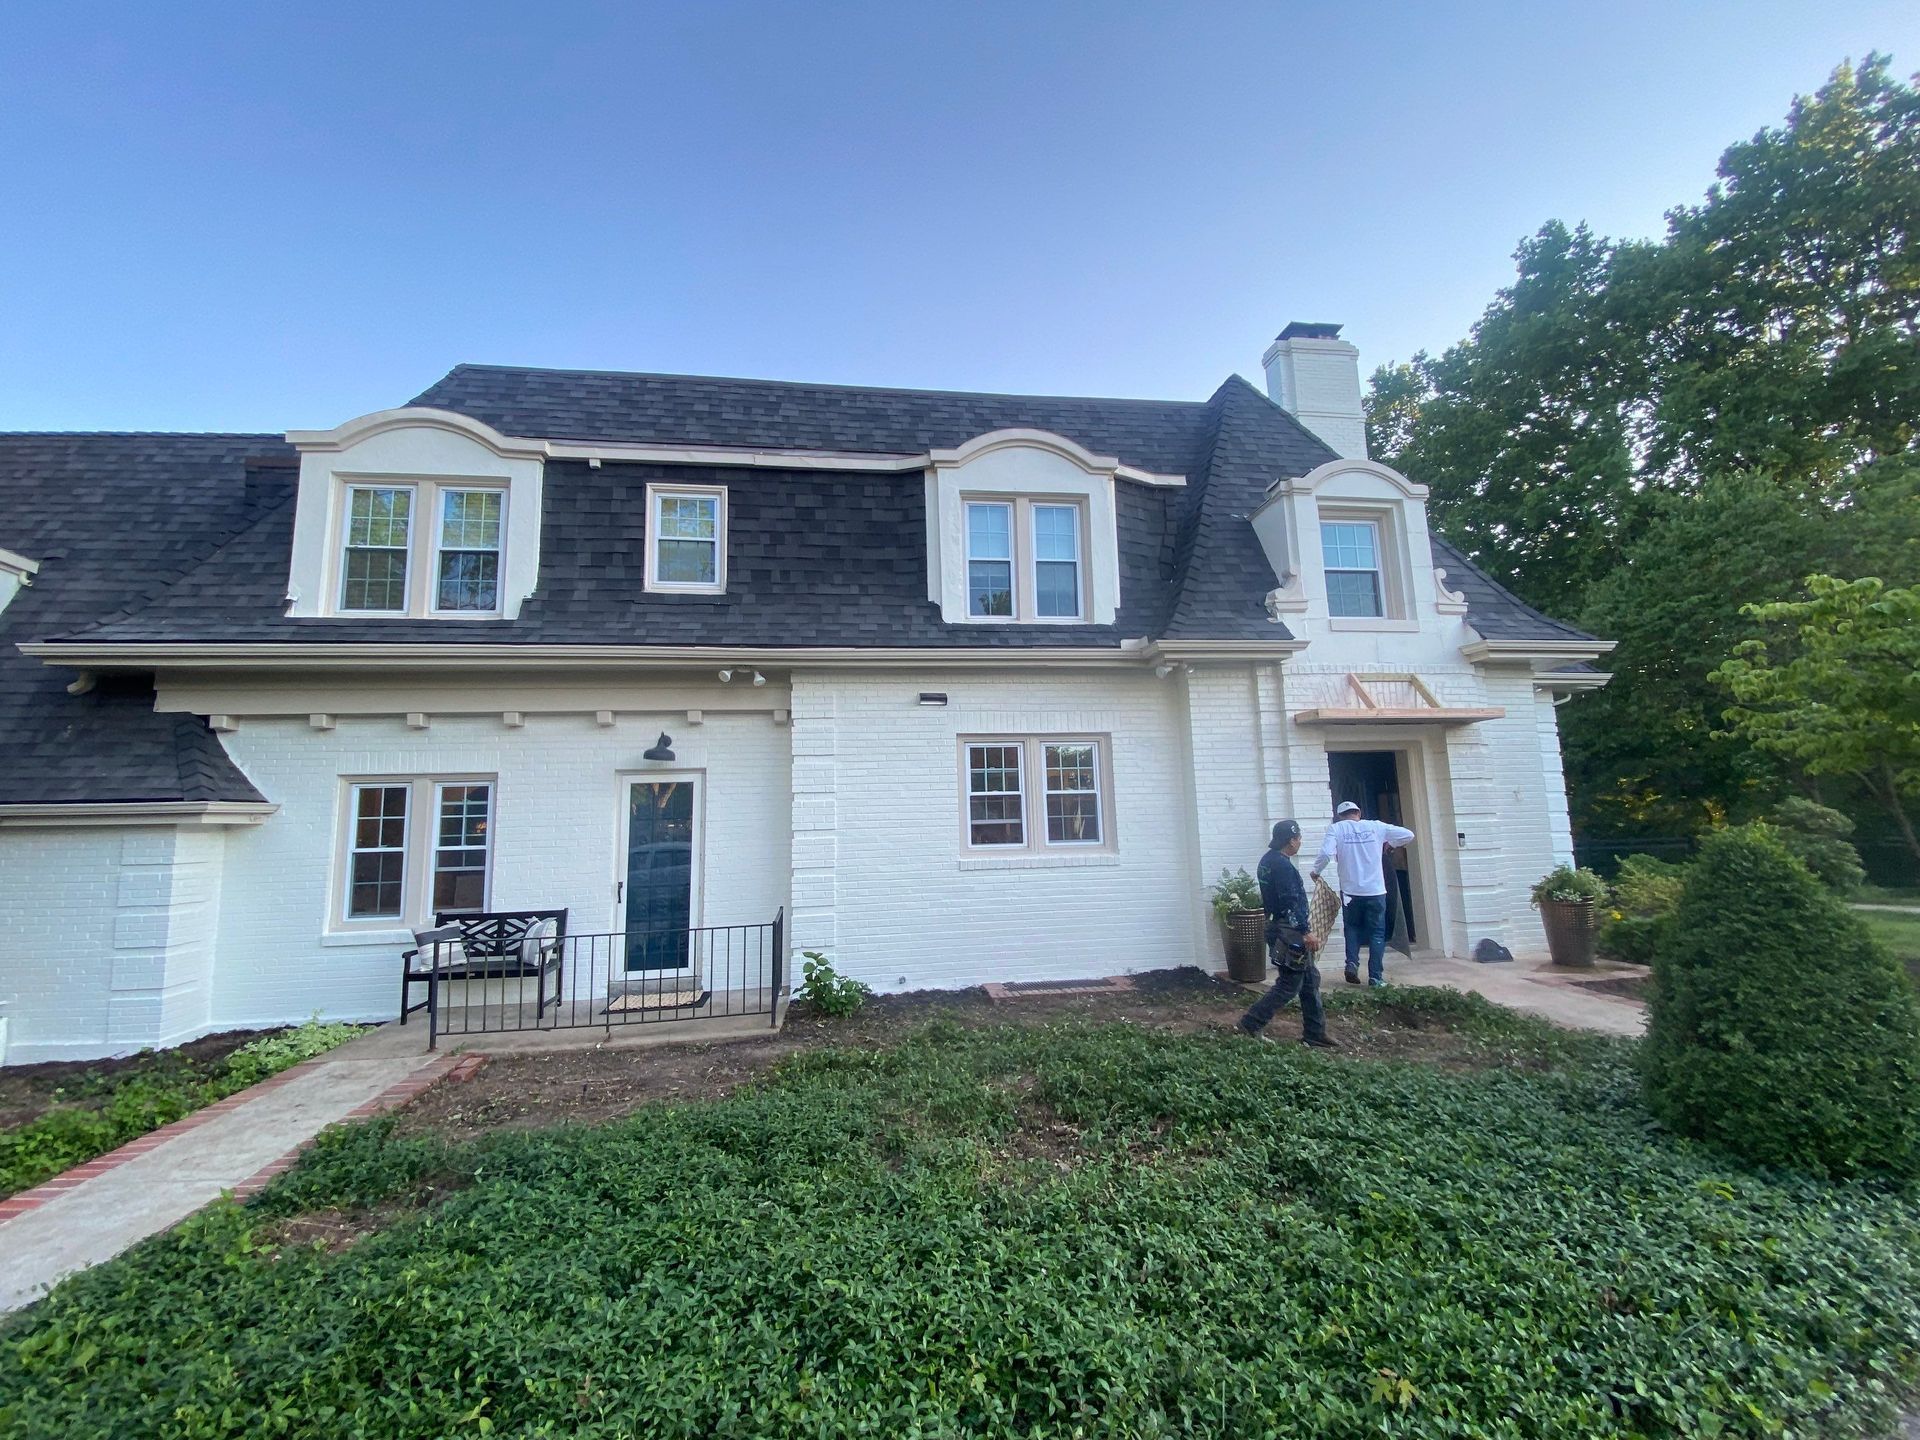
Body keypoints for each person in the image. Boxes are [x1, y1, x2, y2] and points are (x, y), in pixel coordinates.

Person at [1237, 819, 1335, 1047]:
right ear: (1291, 840)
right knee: (1289, 983)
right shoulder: (1282, 866)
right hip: (1288, 931)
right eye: (1298, 838)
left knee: (1310, 979)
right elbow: (1289, 901)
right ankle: (1251, 1022)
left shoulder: (1268, 861)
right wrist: (1305, 931)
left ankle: (1315, 1032)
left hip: (1277, 927)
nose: (1300, 842)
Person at [1313, 800, 1415, 987]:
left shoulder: (1337, 829)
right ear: (1358, 813)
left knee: (1352, 928)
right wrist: (1390, 844)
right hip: (1375, 891)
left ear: (1340, 816)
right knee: (1377, 933)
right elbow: (1408, 835)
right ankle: (1375, 977)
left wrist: (1316, 871)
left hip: (1351, 892)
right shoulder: (1376, 827)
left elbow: (1327, 854)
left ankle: (1351, 963)